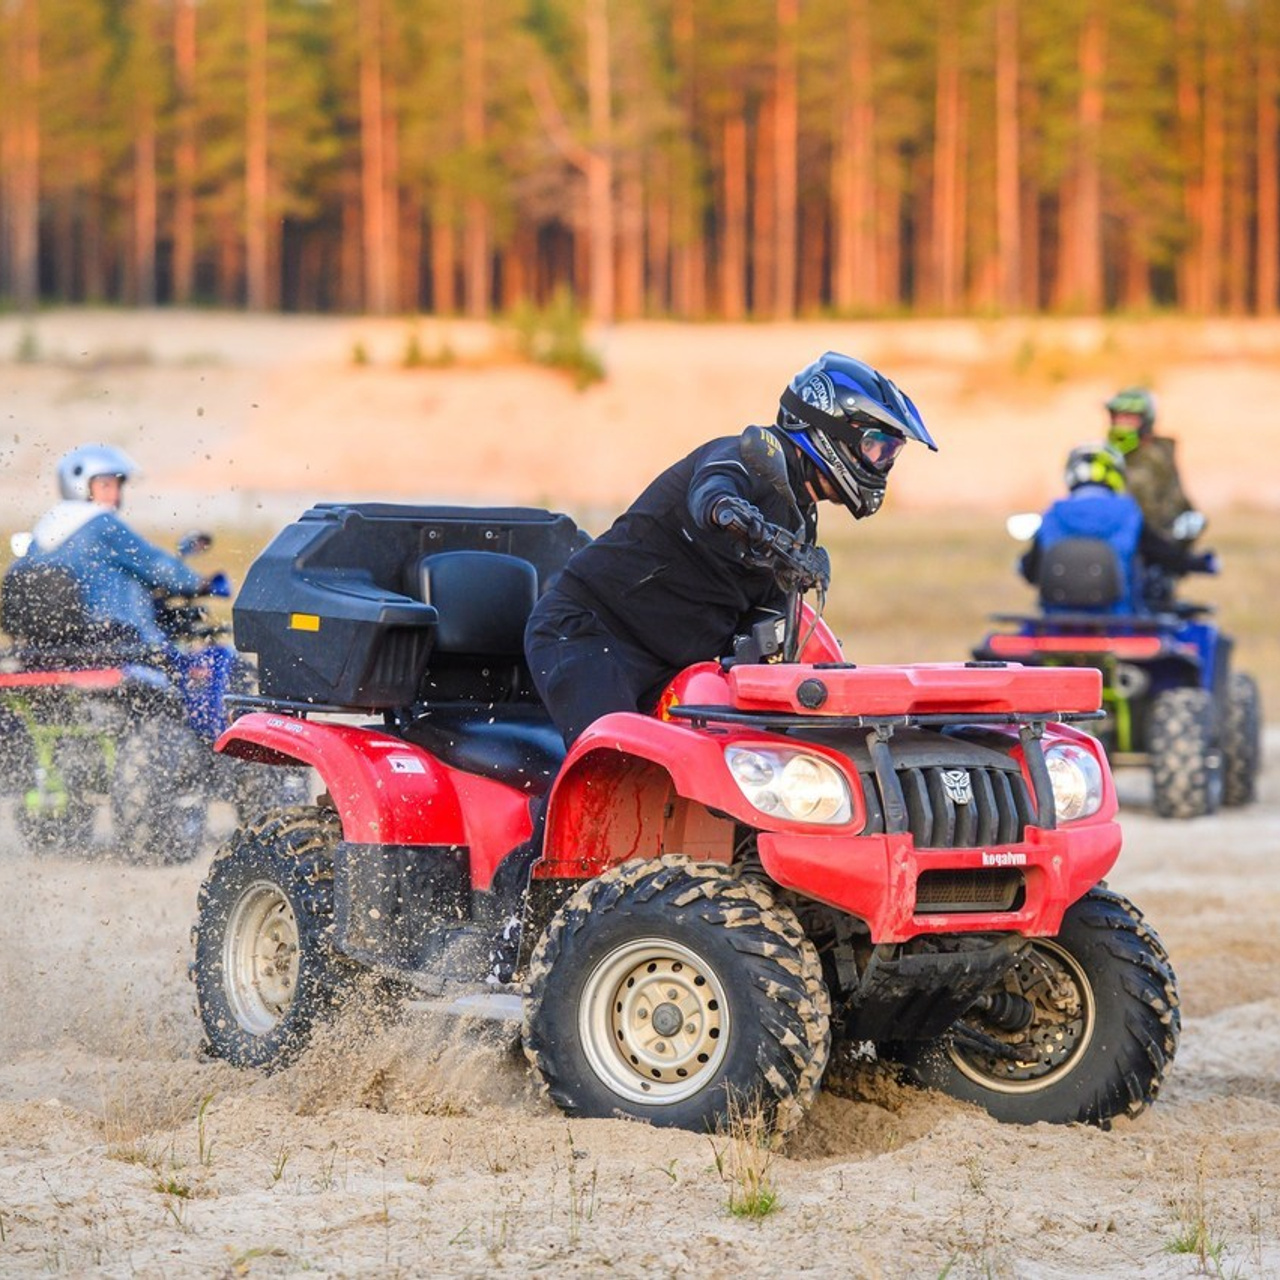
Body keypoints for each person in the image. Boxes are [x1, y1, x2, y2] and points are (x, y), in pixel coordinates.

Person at [524, 351, 938, 747]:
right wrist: (734, 514)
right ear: (833, 430)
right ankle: (539, 823)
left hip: (669, 665)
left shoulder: (800, 515)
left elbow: (759, 624)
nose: (883, 464)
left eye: (890, 453)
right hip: (586, 633)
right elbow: (712, 491)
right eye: (876, 447)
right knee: (611, 770)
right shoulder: (748, 456)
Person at [22, 444, 224, 649]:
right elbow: (153, 563)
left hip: (53, 644)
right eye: (105, 486)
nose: (115, 495)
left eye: (117, 486)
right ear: (81, 485)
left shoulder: (44, 528)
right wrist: (199, 582)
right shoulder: (101, 524)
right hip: (118, 638)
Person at [1019, 442, 1216, 615]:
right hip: (1118, 619)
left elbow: (1030, 570)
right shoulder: (1128, 512)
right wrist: (1198, 562)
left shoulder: (1052, 513)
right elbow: (1162, 553)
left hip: (1056, 621)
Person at [1104, 387, 1199, 540]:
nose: (1121, 424)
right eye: (1117, 417)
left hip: (1151, 543)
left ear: (1146, 420)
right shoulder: (1103, 456)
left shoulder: (1157, 457)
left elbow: (1176, 504)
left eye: (1129, 418)